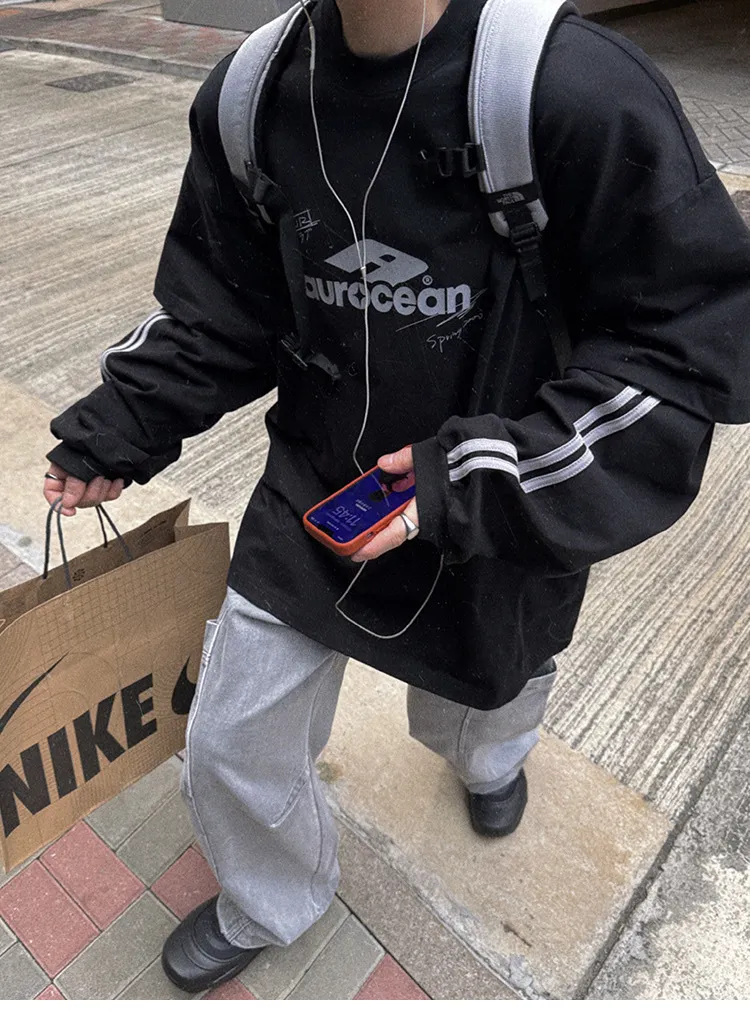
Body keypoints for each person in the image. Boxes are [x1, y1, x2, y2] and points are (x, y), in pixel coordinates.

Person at [42, 0, 750, 995]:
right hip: (318, 489)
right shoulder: (251, 95)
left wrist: (469, 480)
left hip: (499, 498)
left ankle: (492, 760)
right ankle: (272, 896)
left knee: (478, 707)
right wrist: (125, 422)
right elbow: (224, 305)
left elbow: (684, 351)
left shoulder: (575, 90)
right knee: (232, 733)